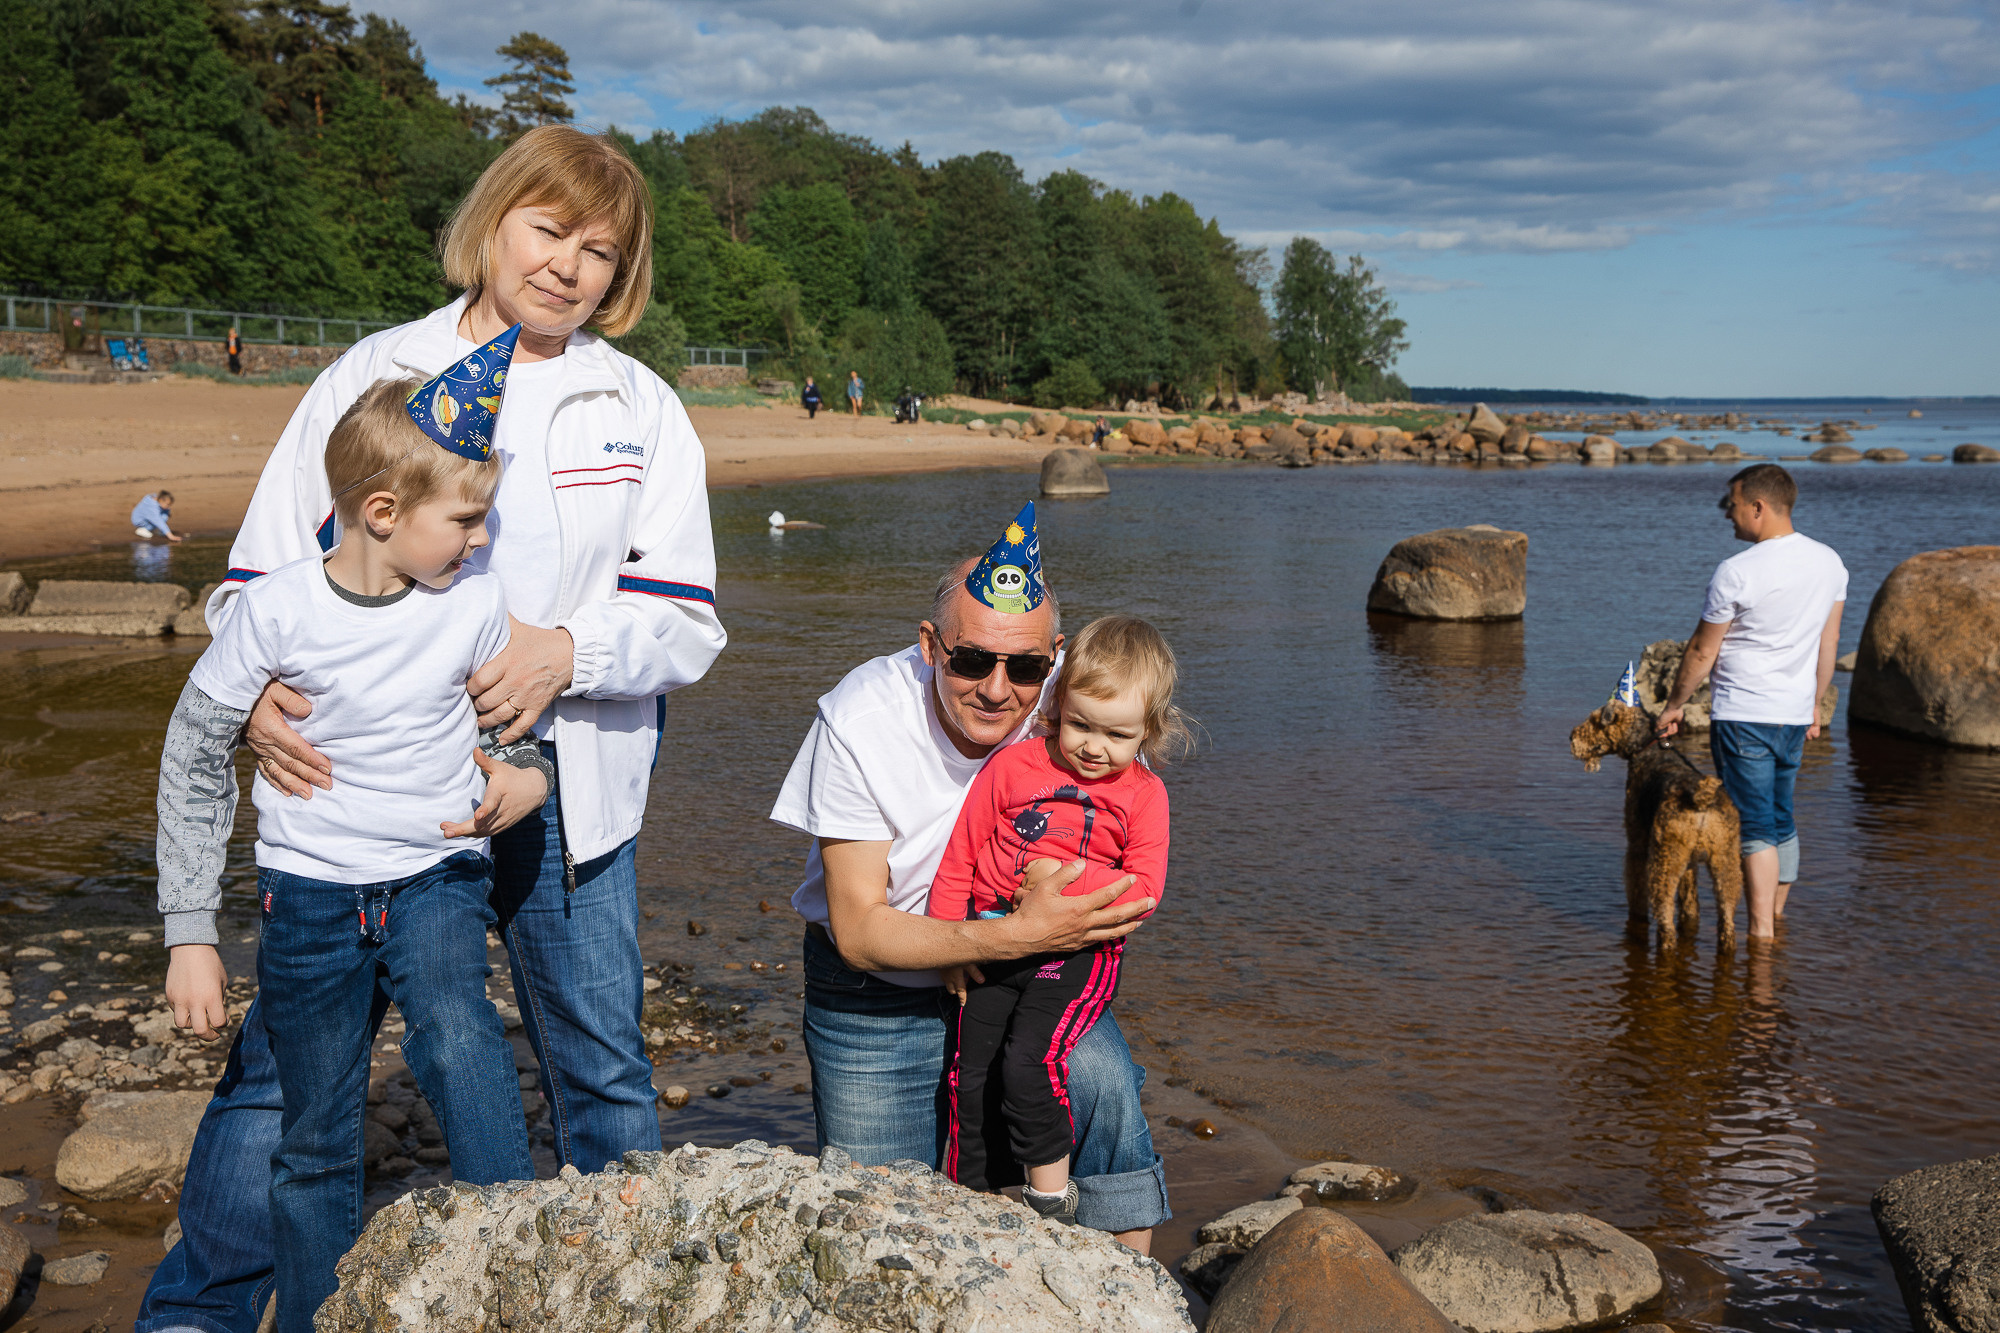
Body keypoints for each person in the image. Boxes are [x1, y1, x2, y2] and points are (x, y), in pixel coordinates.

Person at [137, 125, 726, 1333]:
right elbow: (255, 580)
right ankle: (199, 1310)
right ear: (494, 221)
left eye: (599, 252)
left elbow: (686, 622)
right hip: (352, 796)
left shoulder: (642, 406)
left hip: (561, 789)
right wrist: (255, 700)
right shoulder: (375, 371)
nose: (567, 266)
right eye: (548, 231)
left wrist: (569, 654)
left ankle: (623, 1306)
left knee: (599, 1069)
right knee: (278, 1078)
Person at [158, 347, 549, 1333]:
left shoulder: (472, 602)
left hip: (435, 870)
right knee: (313, 1139)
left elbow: (511, 726)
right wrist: (191, 931)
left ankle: (513, 1257)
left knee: (458, 1032)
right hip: (309, 894)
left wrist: (526, 772)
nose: (482, 537)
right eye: (466, 518)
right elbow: (194, 751)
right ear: (382, 512)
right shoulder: (275, 611)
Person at [769, 502, 1170, 1253]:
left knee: (1105, 1090)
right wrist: (1012, 930)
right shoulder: (860, 719)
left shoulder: (1080, 705)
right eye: (971, 660)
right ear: (931, 645)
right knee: (883, 1231)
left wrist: (1062, 906)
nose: (997, 688)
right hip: (878, 996)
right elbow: (859, 931)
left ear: (1054, 658)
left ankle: (1133, 1295)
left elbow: (1133, 854)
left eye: (1025, 667)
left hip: (1025, 974)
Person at [929, 613, 1184, 1224]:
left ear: (1148, 732)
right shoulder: (1013, 767)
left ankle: (1049, 1199)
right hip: (994, 936)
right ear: (1057, 706)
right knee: (970, 1069)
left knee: (1030, 1060)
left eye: (1117, 735)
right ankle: (973, 1196)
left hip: (1078, 952)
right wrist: (948, 942)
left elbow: (1143, 891)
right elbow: (962, 852)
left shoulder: (1144, 795)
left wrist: (1059, 875)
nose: (1094, 747)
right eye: (1080, 725)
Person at [1657, 463, 1846, 941]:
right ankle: (1777, 918)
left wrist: (1675, 704)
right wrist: (1814, 705)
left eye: (1733, 504)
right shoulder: (1830, 562)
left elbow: (1702, 651)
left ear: (1758, 507)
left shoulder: (1737, 571)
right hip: (1793, 715)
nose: (1728, 514)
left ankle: (1760, 935)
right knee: (1781, 814)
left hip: (1745, 715)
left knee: (1753, 824)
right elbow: (1829, 643)